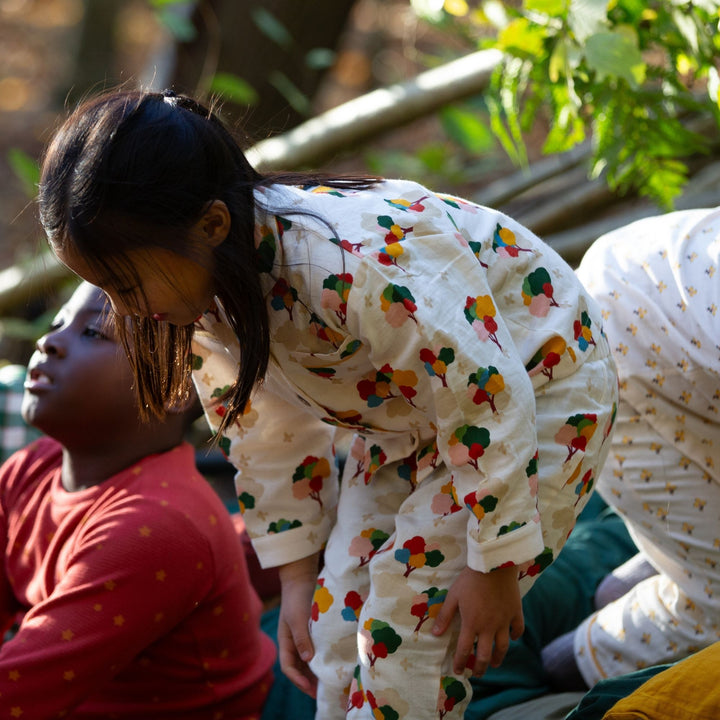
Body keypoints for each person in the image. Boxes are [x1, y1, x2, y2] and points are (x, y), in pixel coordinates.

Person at [37, 88, 618, 720]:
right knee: (336, 630)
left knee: (412, 634)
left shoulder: (354, 262)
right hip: (410, 424)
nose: (122, 310)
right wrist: (294, 578)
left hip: (536, 394)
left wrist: (496, 562)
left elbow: (485, 393)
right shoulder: (204, 295)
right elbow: (265, 437)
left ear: (210, 225)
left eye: (125, 283)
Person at [0, 280, 277, 718]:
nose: (48, 341)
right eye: (56, 324)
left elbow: (15, 691)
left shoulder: (155, 524)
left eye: (92, 332)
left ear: (175, 389)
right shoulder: (31, 468)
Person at [542, 207, 720, 691]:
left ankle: (669, 560)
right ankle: (563, 667)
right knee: (716, 606)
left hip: (648, 299)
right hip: (618, 357)